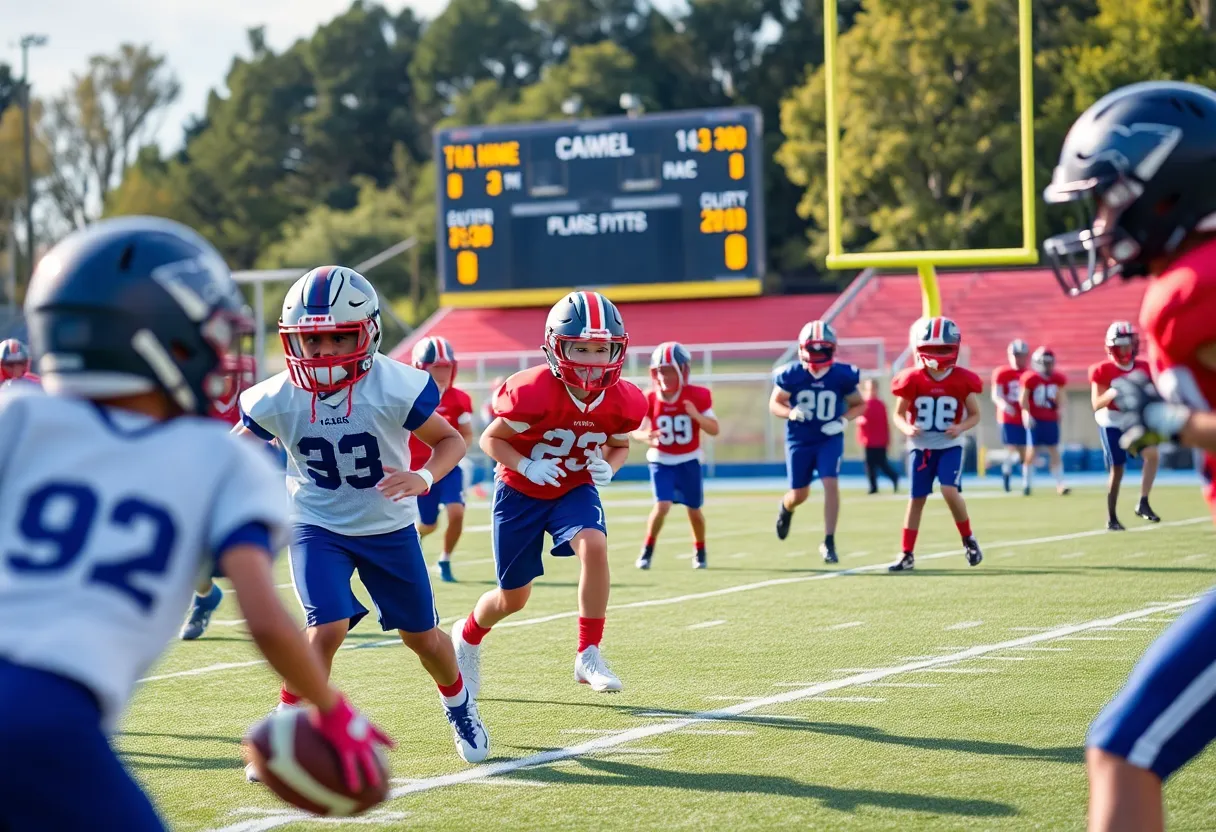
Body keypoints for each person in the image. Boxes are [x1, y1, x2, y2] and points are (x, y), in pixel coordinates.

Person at [0, 217, 390, 832]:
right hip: (46, 715)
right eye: (209, 332)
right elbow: (263, 618)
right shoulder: (217, 457)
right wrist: (329, 707)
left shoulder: (15, 415)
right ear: (162, 336)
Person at [1043, 80, 1216, 832]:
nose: (1100, 221)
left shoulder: (1192, 292)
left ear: (1166, 186)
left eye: (1108, 198)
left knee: (1124, 749)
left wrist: (1175, 422)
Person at [236, 265, 488, 769]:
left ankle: (459, 703)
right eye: (314, 340)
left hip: (387, 527)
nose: (325, 351)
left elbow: (451, 440)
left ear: (368, 332)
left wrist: (424, 477)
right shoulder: (279, 394)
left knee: (424, 639)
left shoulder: (394, 385)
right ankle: (286, 727)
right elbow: (234, 453)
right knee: (325, 627)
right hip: (316, 523)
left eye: (338, 336)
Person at [450, 291, 647, 695]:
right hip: (519, 491)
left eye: (601, 349)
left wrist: (609, 465)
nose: (592, 360)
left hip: (573, 486)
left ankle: (588, 652)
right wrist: (526, 465)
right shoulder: (533, 390)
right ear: (557, 348)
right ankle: (467, 635)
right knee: (512, 599)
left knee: (594, 545)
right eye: (580, 348)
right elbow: (491, 439)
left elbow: (620, 443)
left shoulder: (622, 399)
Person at [888, 316, 984, 572]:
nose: (937, 356)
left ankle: (968, 540)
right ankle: (907, 553)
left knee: (948, 490)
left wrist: (961, 427)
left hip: (949, 444)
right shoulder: (912, 379)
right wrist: (907, 427)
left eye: (943, 349)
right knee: (916, 498)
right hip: (920, 447)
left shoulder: (962, 379)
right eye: (932, 349)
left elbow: (975, 414)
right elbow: (898, 414)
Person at [178, 353, 261, 639]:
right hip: (200, 484)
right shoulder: (193, 400)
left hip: (240, 486)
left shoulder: (254, 400)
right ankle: (206, 596)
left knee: (246, 555)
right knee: (186, 558)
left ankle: (260, 615)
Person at [769, 320, 864, 563]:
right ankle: (786, 507)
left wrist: (842, 421)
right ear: (802, 349)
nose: (818, 355)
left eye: (823, 349)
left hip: (828, 438)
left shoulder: (841, 375)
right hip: (799, 439)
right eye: (814, 349)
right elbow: (775, 404)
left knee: (830, 482)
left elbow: (859, 404)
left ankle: (829, 541)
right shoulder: (792, 374)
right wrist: (790, 412)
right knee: (799, 494)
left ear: (832, 349)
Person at [633, 341, 719, 570]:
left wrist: (695, 415)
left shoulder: (697, 396)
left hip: (689, 459)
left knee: (694, 509)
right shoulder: (649, 398)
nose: (664, 376)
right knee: (662, 505)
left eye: (670, 370)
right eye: (660, 370)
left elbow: (714, 429)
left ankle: (700, 550)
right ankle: (647, 550)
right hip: (661, 460)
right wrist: (647, 436)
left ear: (683, 371)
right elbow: (635, 431)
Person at [410, 336, 474, 583]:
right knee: (428, 524)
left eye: (447, 367)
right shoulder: (407, 397)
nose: (443, 373)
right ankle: (416, 539)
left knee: (456, 512)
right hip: (418, 470)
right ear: (420, 369)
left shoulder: (459, 399)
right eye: (437, 367)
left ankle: (445, 559)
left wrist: (454, 452)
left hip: (448, 468)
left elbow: (466, 434)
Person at [1088, 322, 1160, 530]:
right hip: (1111, 420)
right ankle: (1111, 516)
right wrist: (1114, 392)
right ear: (1112, 348)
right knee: (1117, 469)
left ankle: (1143, 501)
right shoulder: (1102, 369)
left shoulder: (1144, 367)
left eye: (1129, 344)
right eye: (1122, 346)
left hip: (1134, 419)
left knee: (1152, 454)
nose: (1127, 350)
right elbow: (1096, 403)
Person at [1020, 346, 1071, 496]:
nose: (1047, 366)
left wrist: (1061, 411)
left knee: (1054, 450)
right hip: (1035, 420)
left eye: (1049, 363)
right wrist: (1026, 414)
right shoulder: (1030, 378)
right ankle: (1027, 483)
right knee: (1031, 451)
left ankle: (1060, 484)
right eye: (1045, 362)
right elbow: (1023, 399)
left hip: (1050, 419)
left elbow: (1062, 398)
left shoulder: (1058, 378)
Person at [991, 339, 1030, 492]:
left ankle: (1025, 478)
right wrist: (1004, 405)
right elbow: (996, 394)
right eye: (1015, 355)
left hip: (1024, 417)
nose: (1017, 358)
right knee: (1011, 447)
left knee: (1024, 450)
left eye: (1020, 355)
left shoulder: (1029, 374)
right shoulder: (1002, 372)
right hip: (1007, 417)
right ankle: (1007, 474)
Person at [855, 378, 899, 494]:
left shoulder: (880, 405)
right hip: (868, 440)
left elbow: (884, 423)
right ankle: (873, 487)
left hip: (879, 441)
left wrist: (887, 439)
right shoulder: (863, 404)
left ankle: (894, 477)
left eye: (873, 389)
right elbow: (860, 420)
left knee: (882, 463)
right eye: (869, 389)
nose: (871, 391)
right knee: (870, 465)